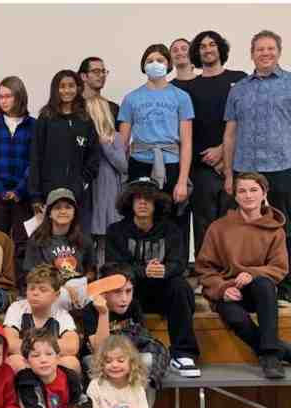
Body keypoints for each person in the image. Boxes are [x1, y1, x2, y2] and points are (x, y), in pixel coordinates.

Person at [197, 172, 291, 379]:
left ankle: (270, 356)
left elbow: (279, 267)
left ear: (264, 194)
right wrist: (223, 288)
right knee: (235, 318)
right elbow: (205, 268)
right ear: (236, 196)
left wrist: (252, 273)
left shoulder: (275, 230)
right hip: (229, 291)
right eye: (242, 191)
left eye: (254, 190)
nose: (248, 195)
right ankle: (282, 351)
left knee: (264, 285)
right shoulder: (219, 228)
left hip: (260, 293)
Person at [106, 178, 201, 377]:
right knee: (118, 285)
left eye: (148, 199)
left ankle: (183, 354)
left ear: (156, 203)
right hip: (131, 294)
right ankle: (126, 351)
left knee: (180, 286)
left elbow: (179, 263)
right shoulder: (116, 230)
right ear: (130, 202)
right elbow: (113, 266)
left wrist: (164, 270)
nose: (142, 203)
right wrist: (144, 271)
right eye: (138, 198)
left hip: (163, 292)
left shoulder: (171, 229)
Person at [224, 30, 291, 301]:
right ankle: (249, 284)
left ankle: (285, 286)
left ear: (279, 52)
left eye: (270, 48)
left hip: (282, 166)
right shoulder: (239, 89)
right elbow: (230, 133)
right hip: (246, 169)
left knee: (285, 227)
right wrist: (228, 173)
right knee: (247, 229)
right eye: (260, 49)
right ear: (252, 54)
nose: (265, 53)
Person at [118, 43, 194, 266]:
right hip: (140, 163)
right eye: (150, 60)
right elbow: (122, 143)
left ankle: (174, 266)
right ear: (143, 65)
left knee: (173, 215)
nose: (155, 64)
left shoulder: (181, 97)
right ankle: (139, 266)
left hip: (171, 163)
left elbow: (186, 142)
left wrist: (182, 180)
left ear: (168, 65)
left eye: (160, 60)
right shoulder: (131, 98)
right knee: (140, 214)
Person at [80, 262, 171, 408]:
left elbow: (143, 340)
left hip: (126, 356)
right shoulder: (90, 310)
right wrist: (103, 313)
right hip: (97, 360)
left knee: (147, 359)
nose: (124, 298)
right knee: (94, 361)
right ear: (103, 292)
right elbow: (100, 350)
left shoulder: (134, 306)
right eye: (117, 292)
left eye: (128, 291)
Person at [184, 31, 246, 258]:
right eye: (202, 46)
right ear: (197, 52)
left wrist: (223, 151)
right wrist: (210, 156)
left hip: (235, 164)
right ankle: (205, 271)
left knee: (234, 223)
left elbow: (246, 120)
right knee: (205, 224)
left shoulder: (240, 79)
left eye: (212, 44)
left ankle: (232, 269)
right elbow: (188, 130)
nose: (208, 49)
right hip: (202, 166)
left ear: (220, 48)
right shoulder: (189, 87)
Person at [29, 70, 100, 231]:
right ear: (55, 89)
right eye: (62, 86)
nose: (67, 90)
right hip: (49, 193)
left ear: (78, 88)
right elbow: (35, 157)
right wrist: (35, 196)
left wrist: (82, 182)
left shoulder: (85, 120)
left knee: (77, 237)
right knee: (49, 238)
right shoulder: (45, 118)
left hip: (77, 194)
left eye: (71, 86)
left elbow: (94, 156)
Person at [0, 76, 36, 276]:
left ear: (19, 97)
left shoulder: (33, 125)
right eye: (0, 97)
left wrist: (19, 190)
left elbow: (34, 161)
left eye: (8, 96)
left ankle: (22, 282)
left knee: (23, 242)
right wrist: (0, 189)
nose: (3, 101)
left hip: (24, 194)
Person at [23, 188, 95, 309]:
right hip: (49, 289)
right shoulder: (37, 240)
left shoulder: (84, 240)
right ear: (49, 213)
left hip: (80, 288)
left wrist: (79, 284)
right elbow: (33, 275)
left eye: (68, 207)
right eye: (57, 207)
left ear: (74, 212)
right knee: (62, 296)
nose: (63, 211)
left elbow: (91, 271)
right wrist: (64, 287)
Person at [4, 264, 81, 373]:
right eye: (31, 288)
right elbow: (10, 343)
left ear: (56, 295)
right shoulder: (16, 308)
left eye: (43, 290)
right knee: (14, 361)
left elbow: (72, 346)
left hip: (50, 361)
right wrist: (39, 355)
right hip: (26, 360)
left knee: (71, 362)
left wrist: (42, 355)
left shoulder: (62, 315)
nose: (35, 293)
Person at [85, 96, 128, 268]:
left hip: (107, 194)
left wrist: (106, 145)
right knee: (87, 239)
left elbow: (123, 165)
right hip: (89, 193)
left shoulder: (114, 137)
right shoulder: (84, 137)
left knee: (104, 239)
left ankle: (103, 273)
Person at [78, 56, 120, 122]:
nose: (102, 75)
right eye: (96, 71)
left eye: (103, 71)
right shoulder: (74, 107)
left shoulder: (113, 108)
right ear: (83, 76)